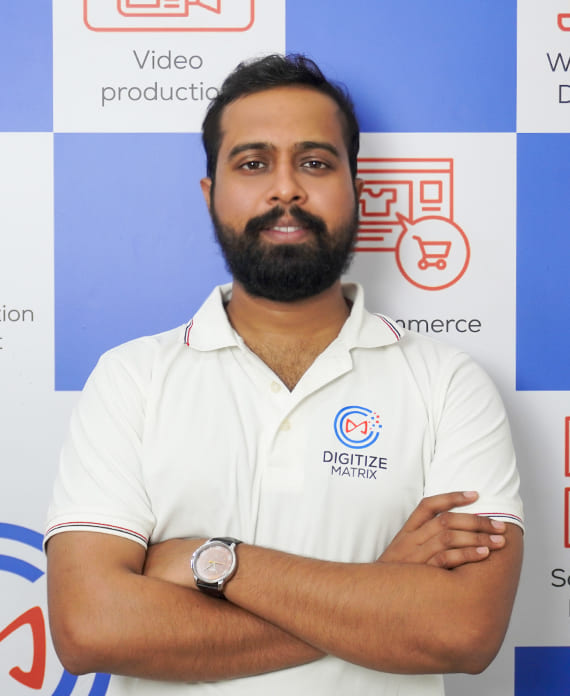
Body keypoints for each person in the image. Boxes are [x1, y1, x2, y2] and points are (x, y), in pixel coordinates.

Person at [45, 54, 524, 696]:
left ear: (357, 188)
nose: (286, 190)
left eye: (315, 163)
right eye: (252, 164)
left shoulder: (448, 384)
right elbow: (91, 629)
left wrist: (214, 563)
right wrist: (379, 592)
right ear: (210, 194)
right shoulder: (131, 379)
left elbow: (463, 631)